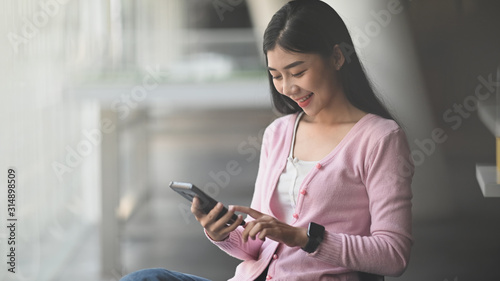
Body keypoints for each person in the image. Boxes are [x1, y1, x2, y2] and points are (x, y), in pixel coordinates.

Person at [120, 0, 414, 280]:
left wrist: (302, 237)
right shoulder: (279, 132)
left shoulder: (380, 139)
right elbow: (256, 247)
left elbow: (393, 255)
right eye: (276, 75)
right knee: (144, 278)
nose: (288, 88)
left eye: (298, 72)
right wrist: (222, 233)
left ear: (337, 57)